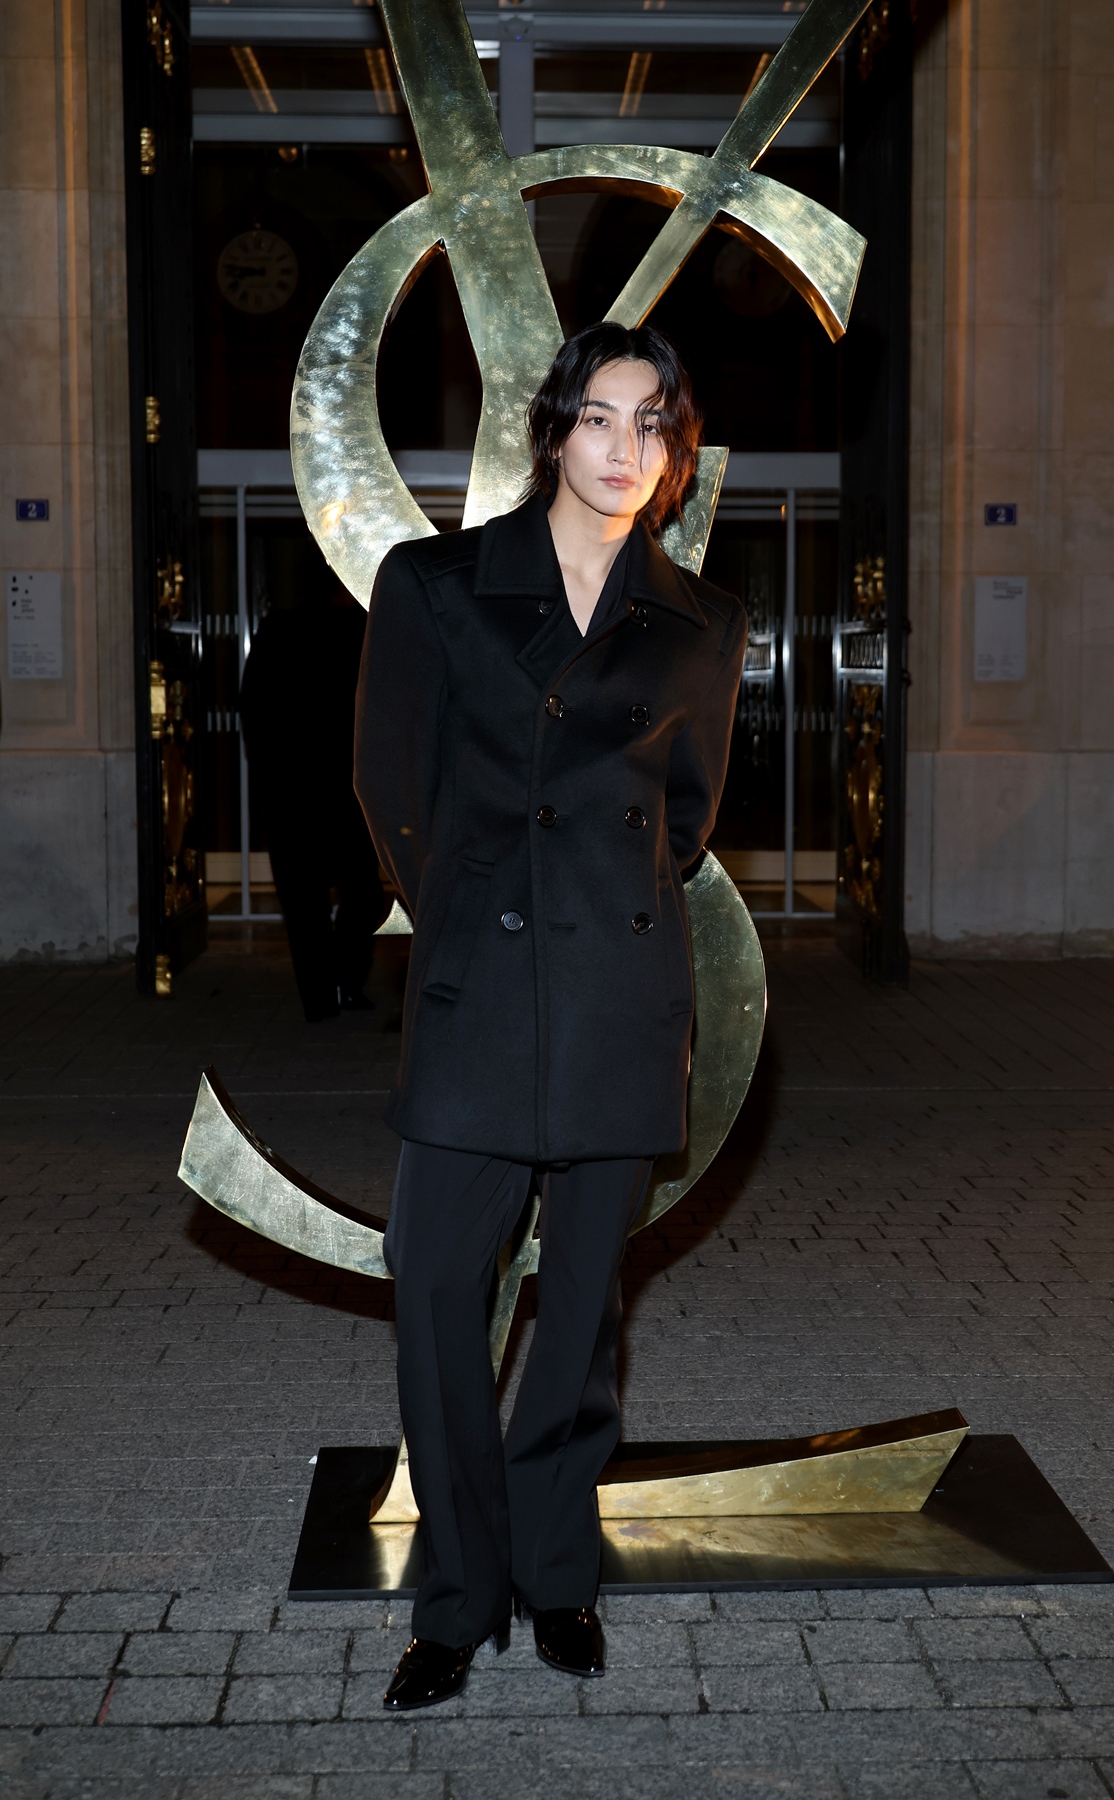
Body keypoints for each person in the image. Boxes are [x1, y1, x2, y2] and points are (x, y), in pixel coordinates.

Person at [354, 321, 747, 1710]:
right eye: (600, 417)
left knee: (581, 1314)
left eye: (653, 422)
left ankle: (557, 1575)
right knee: (437, 1295)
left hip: (619, 997)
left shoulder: (702, 623)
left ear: (675, 451)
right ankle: (457, 1598)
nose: (624, 447)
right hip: (477, 994)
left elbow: (684, 820)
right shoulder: (438, 584)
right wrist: (463, 909)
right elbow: (391, 782)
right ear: (553, 428)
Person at [240, 582, 387, 1021]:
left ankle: (327, 994)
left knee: (321, 903)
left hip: (315, 794)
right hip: (327, 792)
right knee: (347, 898)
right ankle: (338, 989)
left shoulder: (291, 631)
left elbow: (254, 710)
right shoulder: (359, 631)